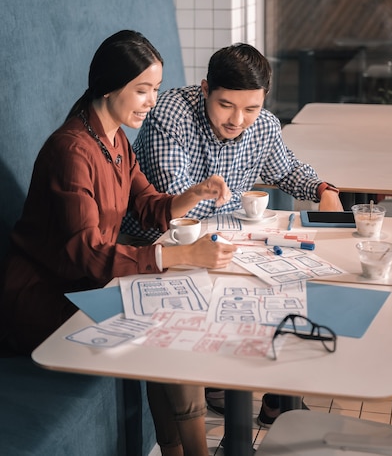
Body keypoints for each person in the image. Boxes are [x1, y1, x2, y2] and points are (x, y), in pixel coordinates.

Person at [0, 30, 237, 456]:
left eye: (156, 90)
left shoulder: (115, 141)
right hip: (43, 299)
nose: (151, 101)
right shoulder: (71, 151)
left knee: (172, 313)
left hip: (87, 285)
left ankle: (178, 451)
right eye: (142, 90)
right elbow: (86, 252)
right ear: (109, 87)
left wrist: (195, 193)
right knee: (167, 319)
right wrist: (179, 254)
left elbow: (147, 204)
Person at [121, 42, 343, 427]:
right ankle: (226, 388)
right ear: (206, 89)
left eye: (251, 108)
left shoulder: (264, 126)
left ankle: (277, 398)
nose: (238, 120)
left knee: (294, 285)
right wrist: (231, 211)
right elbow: (178, 206)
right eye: (226, 105)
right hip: (158, 249)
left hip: (222, 245)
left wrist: (325, 189)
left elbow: (287, 169)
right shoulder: (170, 116)